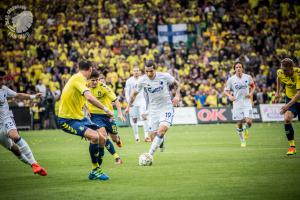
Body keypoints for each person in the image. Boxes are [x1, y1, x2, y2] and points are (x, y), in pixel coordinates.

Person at [57, 60, 114, 181]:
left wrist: (85, 108)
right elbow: (89, 97)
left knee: (102, 138)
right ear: (90, 69)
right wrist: (106, 109)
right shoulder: (78, 78)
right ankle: (96, 169)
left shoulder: (80, 80)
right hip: (67, 119)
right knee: (95, 137)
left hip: (79, 117)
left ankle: (96, 169)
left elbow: (76, 97)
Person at [124, 62, 180, 159]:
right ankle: (161, 141)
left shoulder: (164, 76)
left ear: (155, 69)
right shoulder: (142, 80)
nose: (149, 74)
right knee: (153, 136)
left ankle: (149, 155)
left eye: (151, 71)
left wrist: (177, 95)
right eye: (147, 71)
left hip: (166, 107)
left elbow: (177, 84)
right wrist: (128, 107)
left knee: (162, 130)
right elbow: (133, 94)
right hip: (153, 110)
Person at [0, 71, 47, 176]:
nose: (3, 81)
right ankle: (33, 165)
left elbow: (18, 95)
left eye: (3, 79)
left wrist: (33, 96)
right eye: (1, 79)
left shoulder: (4, 89)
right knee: (15, 150)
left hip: (6, 119)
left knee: (15, 136)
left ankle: (35, 164)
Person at [86, 70, 126, 165]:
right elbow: (81, 99)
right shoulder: (84, 86)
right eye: (93, 80)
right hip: (95, 116)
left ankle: (117, 139)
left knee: (114, 138)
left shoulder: (104, 87)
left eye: (96, 80)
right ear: (89, 80)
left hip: (108, 115)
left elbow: (115, 100)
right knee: (103, 135)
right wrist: (86, 109)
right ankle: (117, 158)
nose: (95, 82)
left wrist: (120, 113)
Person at [224, 62, 256, 147]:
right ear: (234, 69)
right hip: (237, 103)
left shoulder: (248, 77)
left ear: (242, 68)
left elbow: (253, 86)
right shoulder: (231, 79)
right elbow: (225, 90)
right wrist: (230, 96)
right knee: (239, 123)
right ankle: (242, 140)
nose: (238, 68)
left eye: (240, 67)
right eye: (237, 67)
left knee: (249, 122)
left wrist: (251, 93)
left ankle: (246, 129)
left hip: (246, 102)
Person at [275, 58, 299, 155]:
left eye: (285, 70)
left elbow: (299, 94)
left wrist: (287, 106)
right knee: (287, 119)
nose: (282, 72)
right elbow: (279, 78)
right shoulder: (280, 72)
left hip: (297, 98)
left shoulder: (298, 75)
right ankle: (292, 147)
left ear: (291, 68)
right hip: (290, 98)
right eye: (282, 69)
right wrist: (278, 92)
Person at [125, 66, 151, 143]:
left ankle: (146, 136)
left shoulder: (142, 79)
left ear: (139, 71)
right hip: (133, 102)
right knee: (134, 119)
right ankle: (137, 137)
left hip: (142, 100)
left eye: (137, 71)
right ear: (132, 72)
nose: (136, 72)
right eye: (134, 71)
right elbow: (127, 92)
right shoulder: (129, 81)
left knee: (144, 116)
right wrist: (128, 101)